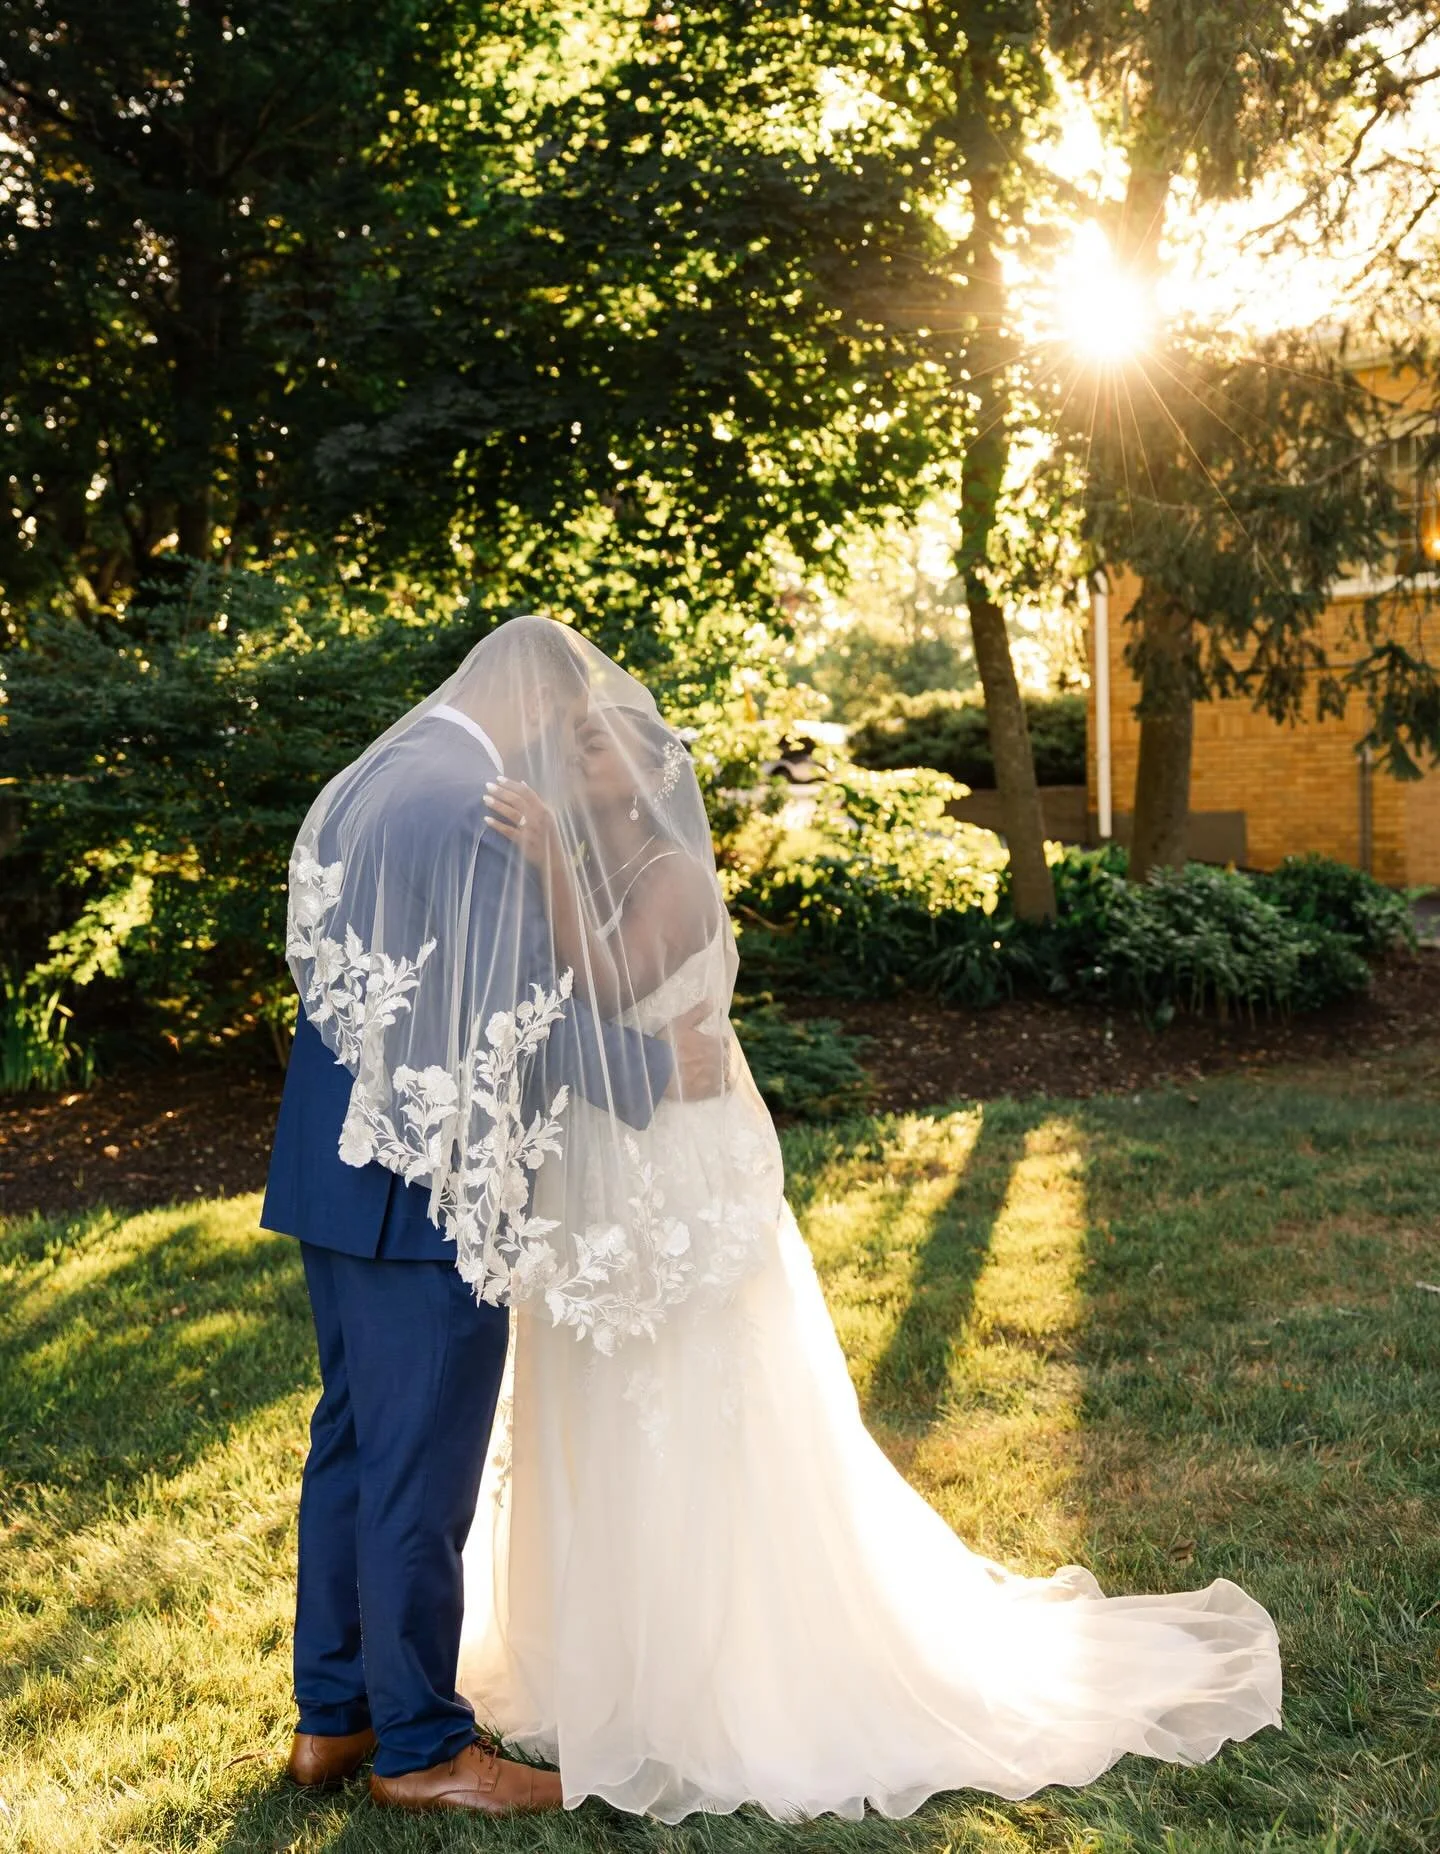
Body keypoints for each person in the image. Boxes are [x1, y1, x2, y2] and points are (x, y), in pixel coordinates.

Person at [453, 640, 1285, 1824]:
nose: (577, 748)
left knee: (681, 1386)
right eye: (571, 737)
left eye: (598, 739)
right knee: (593, 1378)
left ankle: (712, 1665)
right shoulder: (598, 855)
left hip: (669, 1174)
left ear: (645, 770)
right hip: (603, 1159)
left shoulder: (673, 873)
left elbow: (601, 983)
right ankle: (592, 1647)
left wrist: (542, 864)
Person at [261, 616, 726, 1815]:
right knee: (422, 1472)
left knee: (356, 1444)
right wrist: (655, 1070)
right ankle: (421, 1748)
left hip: (336, 1167)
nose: (567, 755)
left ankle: (335, 1717)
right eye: (565, 727)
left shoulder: (384, 774)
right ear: (532, 697)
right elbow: (518, 1004)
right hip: (428, 1184)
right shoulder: (474, 797)